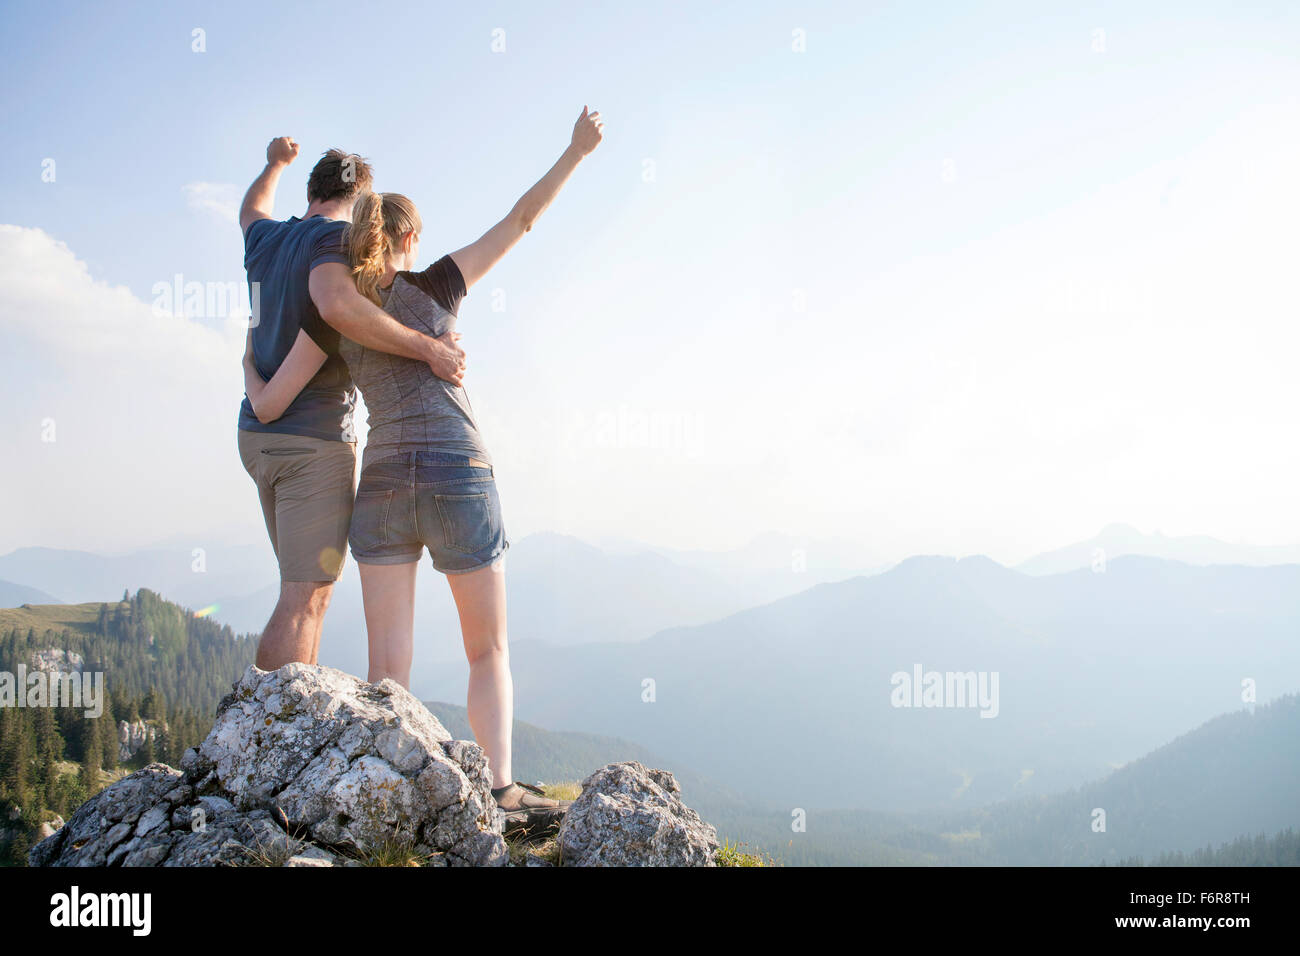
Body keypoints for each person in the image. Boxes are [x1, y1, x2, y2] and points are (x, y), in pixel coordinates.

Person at [244, 107, 604, 825]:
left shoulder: (339, 312)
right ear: (409, 239)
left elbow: (278, 395)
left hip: (380, 486)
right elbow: (520, 220)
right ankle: (502, 788)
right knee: (487, 649)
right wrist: (575, 152)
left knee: (389, 675)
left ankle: (385, 792)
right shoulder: (439, 284)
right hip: (458, 474)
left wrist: (249, 379)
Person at [236, 139, 468, 673]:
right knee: (306, 598)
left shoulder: (267, 239)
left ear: (312, 190)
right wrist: (432, 348)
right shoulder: (336, 241)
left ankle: (290, 723)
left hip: (258, 438)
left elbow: (251, 210)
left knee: (302, 588)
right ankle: (273, 732)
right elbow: (338, 306)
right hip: (311, 441)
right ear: (361, 201)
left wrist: (273, 165)